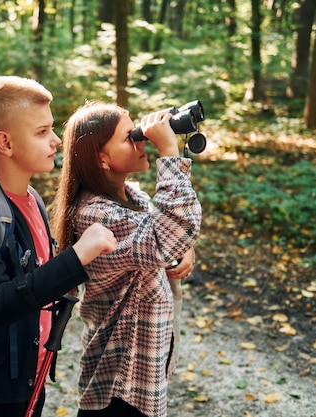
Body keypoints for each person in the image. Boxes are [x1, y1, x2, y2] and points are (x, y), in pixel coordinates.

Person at [0, 76, 117, 417]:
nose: (55, 140)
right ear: (5, 143)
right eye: (41, 131)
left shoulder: (31, 198)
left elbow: (34, 278)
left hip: (26, 379)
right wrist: (78, 256)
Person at [50, 102, 202, 417]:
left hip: (140, 370)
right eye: (129, 137)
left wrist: (183, 247)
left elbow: (167, 230)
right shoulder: (94, 214)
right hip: (120, 377)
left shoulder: (131, 195)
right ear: (101, 158)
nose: (141, 141)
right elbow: (165, 235)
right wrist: (169, 151)